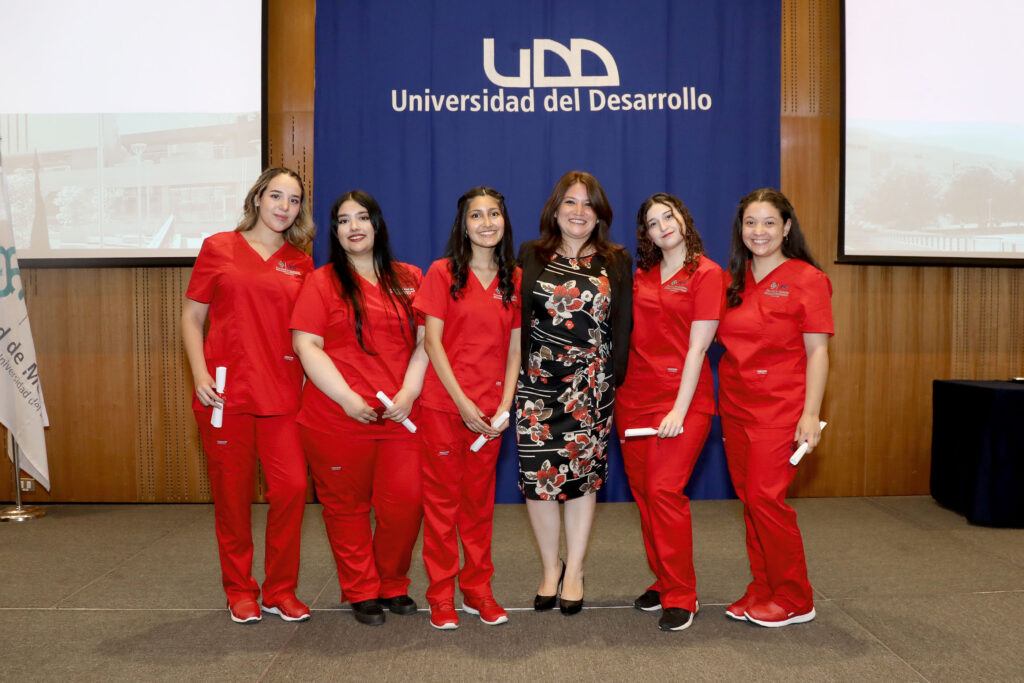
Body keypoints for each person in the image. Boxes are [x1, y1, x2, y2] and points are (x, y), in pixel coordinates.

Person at [182, 166, 315, 625]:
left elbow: (307, 333)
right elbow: (192, 317)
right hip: (226, 395)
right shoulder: (219, 247)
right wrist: (200, 374)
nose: (284, 207)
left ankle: (280, 590)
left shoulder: (301, 263)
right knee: (232, 498)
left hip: (282, 396)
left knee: (292, 490)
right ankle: (240, 590)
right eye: (276, 196)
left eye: (294, 200)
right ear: (258, 198)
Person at [290, 190, 428, 626]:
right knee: (345, 508)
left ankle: (392, 582)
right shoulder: (321, 281)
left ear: (377, 224)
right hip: (336, 417)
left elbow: (427, 342)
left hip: (400, 417)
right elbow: (306, 345)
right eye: (343, 220)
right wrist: (348, 399)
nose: (354, 226)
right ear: (335, 232)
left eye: (362, 217)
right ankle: (362, 589)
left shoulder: (410, 277)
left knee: (406, 503)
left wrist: (409, 392)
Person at [516, 170, 632, 615]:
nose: (579, 211)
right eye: (570, 202)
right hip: (537, 387)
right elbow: (518, 320)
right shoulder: (531, 254)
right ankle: (551, 568)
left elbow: (622, 325)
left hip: (590, 390)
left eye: (588, 204)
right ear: (555, 209)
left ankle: (576, 571)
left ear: (599, 214)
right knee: (538, 482)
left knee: (583, 481)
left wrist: (610, 382)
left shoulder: (616, 261)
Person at [717, 187, 833, 628]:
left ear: (786, 228)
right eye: (750, 222)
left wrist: (811, 414)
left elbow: (818, 352)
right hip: (735, 404)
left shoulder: (808, 279)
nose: (759, 231)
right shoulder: (732, 279)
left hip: (781, 407)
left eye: (769, 222)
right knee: (751, 500)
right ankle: (763, 586)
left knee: (767, 499)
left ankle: (795, 597)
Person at [613, 193, 723, 632]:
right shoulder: (641, 276)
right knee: (644, 495)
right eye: (653, 223)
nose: (663, 226)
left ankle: (681, 594)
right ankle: (662, 580)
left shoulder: (707, 273)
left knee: (663, 491)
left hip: (682, 400)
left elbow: (699, 348)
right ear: (647, 234)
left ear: (683, 219)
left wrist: (678, 408)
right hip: (633, 399)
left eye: (668, 216)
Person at [414, 187, 522, 630]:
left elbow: (515, 349)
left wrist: (505, 405)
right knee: (442, 507)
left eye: (493, 213)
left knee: (478, 507)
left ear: (504, 221)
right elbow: (432, 343)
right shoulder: (442, 273)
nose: (486, 223)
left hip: (490, 416)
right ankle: (441, 595)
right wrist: (462, 403)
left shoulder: (515, 278)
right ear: (463, 225)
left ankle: (478, 590)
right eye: (476, 215)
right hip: (445, 408)